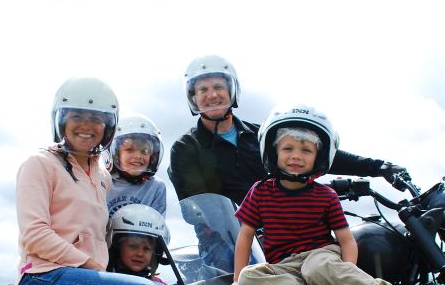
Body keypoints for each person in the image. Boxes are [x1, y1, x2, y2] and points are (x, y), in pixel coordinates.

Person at [13, 77, 178, 285]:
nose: (87, 125)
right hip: (43, 280)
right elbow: (34, 234)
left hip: (82, 280)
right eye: (77, 116)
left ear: (108, 128)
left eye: (97, 120)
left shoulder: (101, 175)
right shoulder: (39, 164)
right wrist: (90, 265)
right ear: (61, 121)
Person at [224, 104, 425, 285]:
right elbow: (245, 236)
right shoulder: (260, 191)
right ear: (273, 151)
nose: (296, 155)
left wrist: (347, 269)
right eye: (287, 148)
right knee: (250, 278)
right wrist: (238, 278)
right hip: (285, 267)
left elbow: (346, 240)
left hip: (321, 256)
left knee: (315, 267)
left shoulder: (325, 196)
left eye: (306, 150)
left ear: (319, 157)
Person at [167, 54, 407, 205]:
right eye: (202, 90)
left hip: (287, 226)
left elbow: (315, 154)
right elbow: (198, 206)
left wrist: (377, 167)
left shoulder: (264, 134)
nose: (212, 95)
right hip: (229, 243)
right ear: (193, 98)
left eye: (218, 86)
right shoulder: (186, 147)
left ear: (232, 90)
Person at [106, 113, 167, 217]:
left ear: (152, 157)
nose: (138, 156)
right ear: (116, 154)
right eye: (129, 150)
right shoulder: (102, 180)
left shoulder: (156, 187)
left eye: (145, 151)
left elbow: (158, 226)